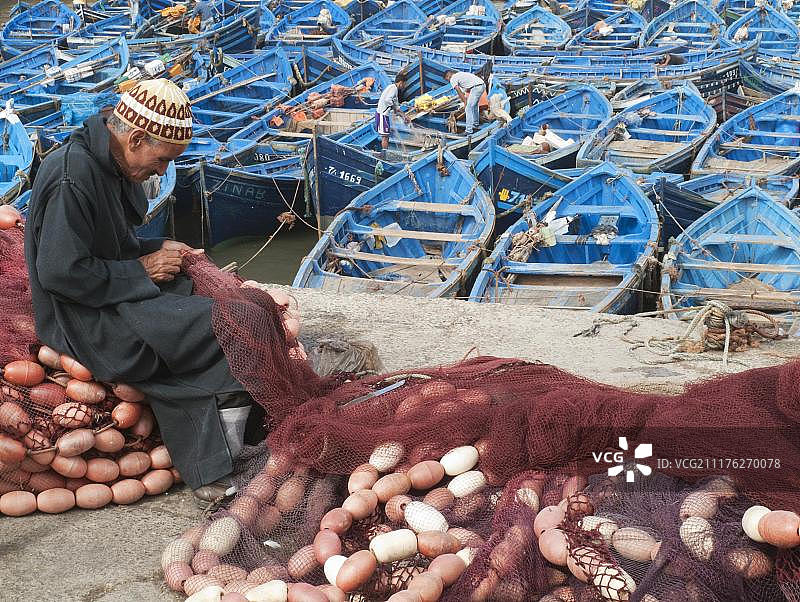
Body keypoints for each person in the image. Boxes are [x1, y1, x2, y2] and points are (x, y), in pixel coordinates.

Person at [24, 79, 255, 506]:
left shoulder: (107, 162)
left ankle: (229, 439)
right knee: (223, 324)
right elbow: (60, 273)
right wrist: (143, 269)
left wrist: (157, 250)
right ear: (135, 138)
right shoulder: (72, 177)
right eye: (163, 160)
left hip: (109, 294)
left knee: (227, 304)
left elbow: (107, 247)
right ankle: (213, 467)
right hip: (82, 318)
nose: (163, 172)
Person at [375, 73, 409, 155]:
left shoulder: (394, 89)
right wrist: (393, 108)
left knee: (386, 136)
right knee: (385, 136)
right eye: (404, 84)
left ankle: (384, 153)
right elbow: (388, 100)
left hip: (383, 115)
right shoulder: (393, 89)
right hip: (382, 114)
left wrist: (404, 116)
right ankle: (384, 155)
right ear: (401, 82)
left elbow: (397, 107)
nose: (404, 86)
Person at [444, 70, 485, 135]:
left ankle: (468, 130)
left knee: (468, 108)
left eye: (447, 80)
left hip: (476, 88)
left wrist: (465, 102)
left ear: (448, 76)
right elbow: (466, 90)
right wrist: (465, 98)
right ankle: (476, 123)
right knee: (474, 105)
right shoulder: (460, 74)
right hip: (482, 85)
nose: (449, 81)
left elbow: (458, 90)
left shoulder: (453, 78)